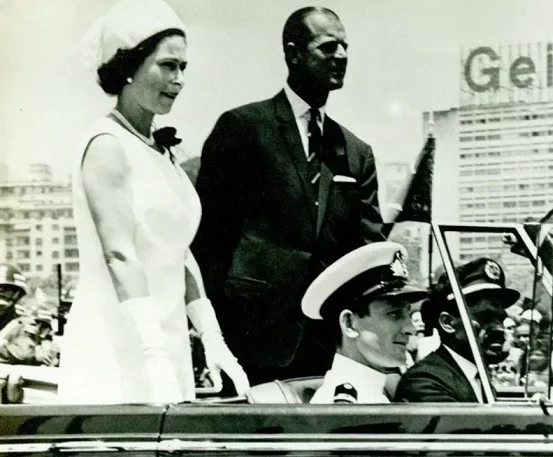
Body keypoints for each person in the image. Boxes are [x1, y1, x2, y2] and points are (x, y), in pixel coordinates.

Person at [59, 0, 248, 404]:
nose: (178, 79)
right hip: (117, 349)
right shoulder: (106, 145)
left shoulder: (161, 151)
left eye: (183, 68)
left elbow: (177, 253)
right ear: (128, 65)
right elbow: (119, 254)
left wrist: (213, 339)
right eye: (167, 65)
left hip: (168, 347)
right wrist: (153, 354)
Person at [191, 7, 384, 387]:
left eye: (345, 46)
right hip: (248, 342)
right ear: (293, 53)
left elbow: (367, 254)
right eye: (328, 47)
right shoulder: (244, 129)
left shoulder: (357, 153)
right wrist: (212, 335)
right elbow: (209, 242)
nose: (342, 56)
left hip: (329, 349)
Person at [395, 258, 553, 403]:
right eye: (485, 318)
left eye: (500, 318)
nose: (497, 328)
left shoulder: (474, 374)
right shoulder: (425, 381)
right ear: (448, 323)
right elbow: (476, 445)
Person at [301, 242, 426, 403]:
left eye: (409, 314)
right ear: (349, 324)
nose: (411, 328)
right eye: (394, 314)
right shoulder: (344, 408)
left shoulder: (373, 394)